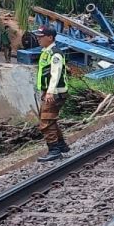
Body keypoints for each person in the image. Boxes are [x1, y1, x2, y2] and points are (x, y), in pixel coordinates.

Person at [35, 27, 70, 162]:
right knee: (50, 119)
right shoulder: (46, 52)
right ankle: (61, 145)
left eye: (41, 36)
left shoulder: (55, 54)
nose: (38, 39)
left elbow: (55, 74)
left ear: (50, 37)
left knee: (45, 121)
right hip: (50, 92)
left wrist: (50, 92)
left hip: (55, 93)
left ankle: (54, 150)